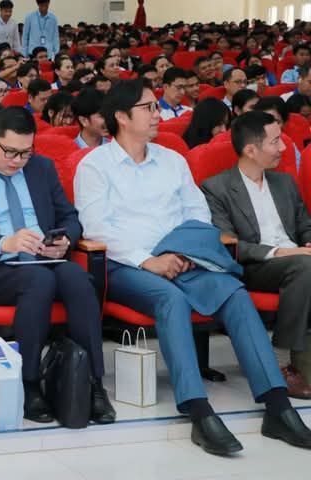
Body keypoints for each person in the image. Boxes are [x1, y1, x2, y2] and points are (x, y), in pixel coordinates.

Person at [74, 79, 311, 456]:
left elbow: (198, 213)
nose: (157, 114)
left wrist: (179, 251)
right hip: (127, 265)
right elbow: (96, 227)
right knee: (171, 300)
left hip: (182, 257)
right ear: (121, 117)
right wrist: (149, 260)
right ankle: (197, 410)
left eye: (156, 106)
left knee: (234, 293)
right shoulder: (94, 165)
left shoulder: (172, 160)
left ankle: (277, 406)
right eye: (148, 108)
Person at [0, 106, 115, 425]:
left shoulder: (41, 168)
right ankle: (29, 383)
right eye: (10, 152)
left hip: (45, 259)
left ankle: (92, 383)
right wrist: (2, 242)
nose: (17, 161)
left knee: (77, 277)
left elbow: (69, 217)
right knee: (39, 282)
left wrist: (65, 240)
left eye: (25, 152)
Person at [201, 111, 311, 399]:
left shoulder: (284, 183)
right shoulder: (217, 188)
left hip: (299, 259)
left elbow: (304, 226)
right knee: (305, 265)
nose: (284, 148)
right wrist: (284, 252)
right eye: (275, 142)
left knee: (305, 263)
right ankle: (280, 360)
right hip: (254, 265)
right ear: (251, 150)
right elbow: (229, 244)